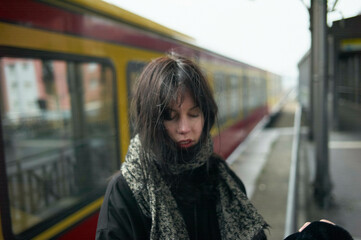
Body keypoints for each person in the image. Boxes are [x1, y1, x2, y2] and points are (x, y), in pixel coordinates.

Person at [95, 53, 269, 240]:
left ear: (206, 115)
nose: (184, 128)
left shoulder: (221, 177)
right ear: (150, 120)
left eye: (194, 114)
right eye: (170, 117)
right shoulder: (125, 191)